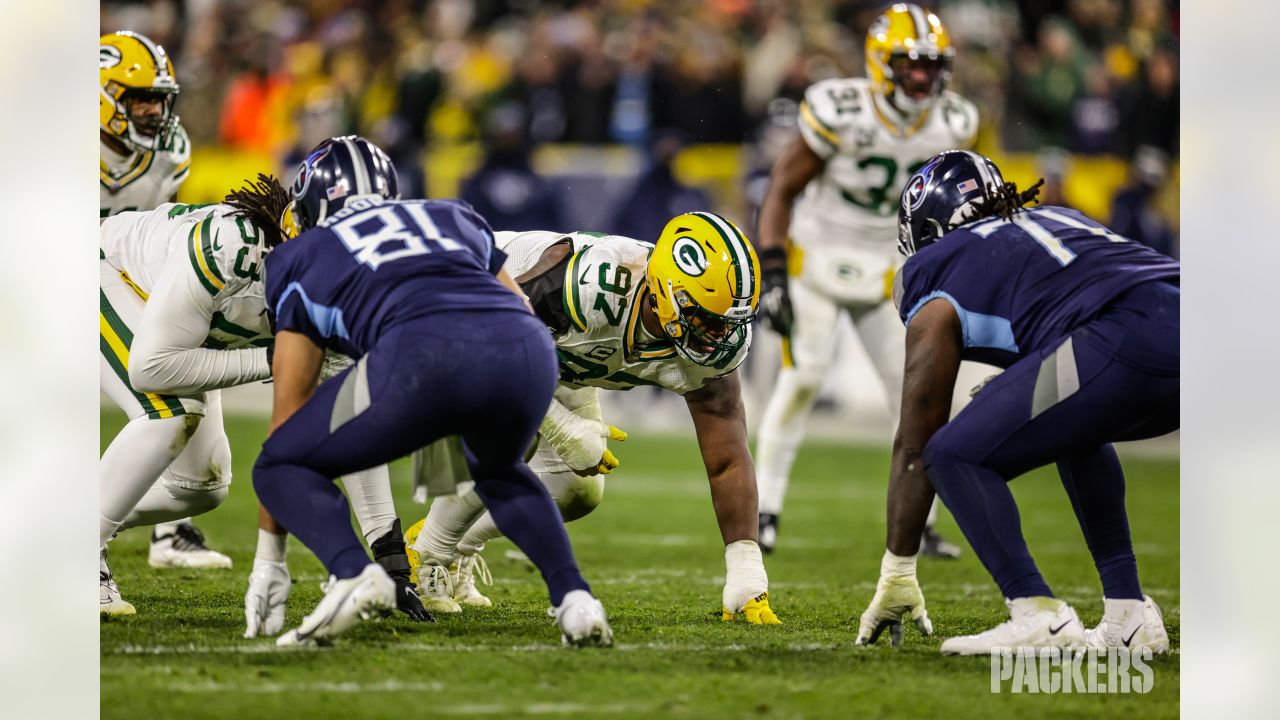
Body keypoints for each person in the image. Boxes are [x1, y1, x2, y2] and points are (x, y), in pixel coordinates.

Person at [253, 136, 611, 647]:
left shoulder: (302, 254)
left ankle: (355, 573)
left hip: (421, 351)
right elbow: (521, 310)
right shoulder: (449, 215)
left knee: (279, 463)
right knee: (500, 473)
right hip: (526, 348)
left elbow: (288, 414)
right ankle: (575, 600)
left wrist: (270, 562)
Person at [854, 150, 1178, 654]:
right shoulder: (1057, 215)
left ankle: (1035, 612)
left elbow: (917, 441)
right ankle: (1128, 615)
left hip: (1124, 338)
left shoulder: (937, 269)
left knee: (951, 452)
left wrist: (897, 568)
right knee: (1074, 425)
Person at [406, 214, 782, 625]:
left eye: (726, 323)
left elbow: (726, 457)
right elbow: (485, 347)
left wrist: (745, 565)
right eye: (706, 320)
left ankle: (459, 547)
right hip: (455, 315)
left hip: (548, 357)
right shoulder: (584, 287)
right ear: (663, 292)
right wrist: (560, 427)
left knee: (576, 492)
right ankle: (425, 556)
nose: (716, 337)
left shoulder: (713, 346)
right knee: (515, 430)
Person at [753, 4, 975, 556]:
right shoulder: (841, 107)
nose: (922, 77)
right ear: (881, 63)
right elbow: (781, 188)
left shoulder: (955, 121)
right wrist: (774, 272)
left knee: (918, 393)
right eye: (911, 65)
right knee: (804, 377)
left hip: (886, 272)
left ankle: (921, 522)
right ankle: (764, 511)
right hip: (816, 259)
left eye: (932, 66)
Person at [98, 180, 281, 615]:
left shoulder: (346, 281)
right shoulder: (235, 249)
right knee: (171, 414)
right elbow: (151, 367)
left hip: (173, 322)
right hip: (105, 271)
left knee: (200, 488)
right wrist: (276, 359)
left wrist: (381, 541)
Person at [100, 30, 231, 570]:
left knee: (206, 483)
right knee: (167, 412)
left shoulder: (170, 152)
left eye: (159, 98)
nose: (154, 111)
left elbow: (163, 233)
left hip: (136, 285)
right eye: (140, 99)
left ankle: (169, 533)